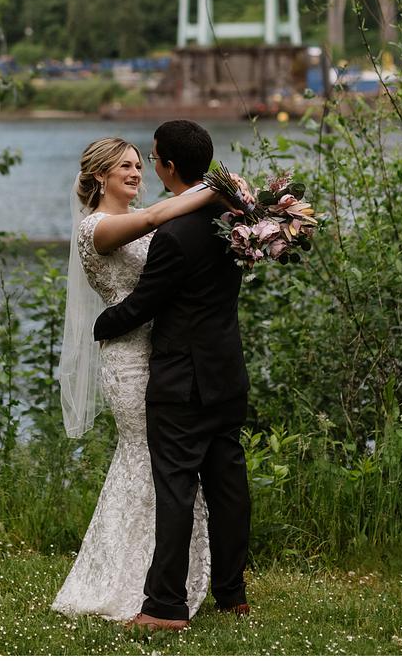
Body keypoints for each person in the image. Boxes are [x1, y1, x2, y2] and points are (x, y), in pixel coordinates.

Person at [50, 132, 221, 623]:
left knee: (160, 461)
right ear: (100, 175)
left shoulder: (145, 225)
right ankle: (135, 582)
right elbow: (152, 217)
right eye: (124, 167)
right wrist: (210, 189)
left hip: (165, 354)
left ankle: (160, 574)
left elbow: (164, 234)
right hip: (128, 360)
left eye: (138, 166)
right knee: (145, 458)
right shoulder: (97, 228)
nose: (135, 174)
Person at [90, 120, 251, 632]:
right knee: (228, 486)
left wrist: (103, 322)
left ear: (169, 166)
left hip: (182, 380)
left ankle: (164, 607)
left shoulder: (173, 235)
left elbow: (141, 305)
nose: (148, 166)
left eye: (152, 158)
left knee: (176, 489)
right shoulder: (236, 221)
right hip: (228, 372)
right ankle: (232, 595)